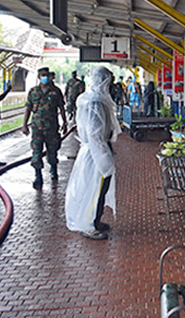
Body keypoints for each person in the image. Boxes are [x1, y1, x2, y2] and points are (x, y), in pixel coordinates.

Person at [65, 66, 121, 240]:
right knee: (95, 189)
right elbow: (94, 132)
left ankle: (95, 220)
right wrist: (104, 157)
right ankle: (88, 225)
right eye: (108, 82)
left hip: (95, 149)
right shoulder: (95, 101)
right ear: (104, 81)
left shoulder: (90, 98)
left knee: (98, 188)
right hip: (96, 152)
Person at [22, 67, 68, 188]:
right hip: (37, 128)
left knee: (52, 151)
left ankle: (53, 169)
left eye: (46, 75)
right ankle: (38, 176)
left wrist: (65, 122)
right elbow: (28, 108)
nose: (45, 77)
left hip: (51, 128)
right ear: (38, 77)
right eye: (42, 75)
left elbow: (61, 108)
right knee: (36, 152)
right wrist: (24, 125)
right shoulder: (33, 92)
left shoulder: (56, 91)